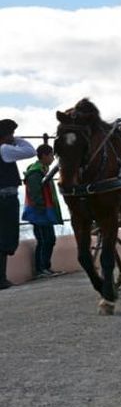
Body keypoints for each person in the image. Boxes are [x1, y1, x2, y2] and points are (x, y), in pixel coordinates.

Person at [0, 119, 36, 289]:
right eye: (11, 134)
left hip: (4, 198)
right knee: (6, 237)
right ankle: (1, 278)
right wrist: (17, 140)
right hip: (6, 198)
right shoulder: (5, 149)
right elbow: (30, 151)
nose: (12, 137)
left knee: (4, 236)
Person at [22, 144, 64, 278]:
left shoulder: (43, 169)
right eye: (51, 155)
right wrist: (41, 208)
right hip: (39, 212)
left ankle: (46, 267)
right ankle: (41, 269)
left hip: (45, 211)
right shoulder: (35, 172)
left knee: (49, 239)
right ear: (44, 155)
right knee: (44, 239)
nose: (53, 158)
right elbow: (35, 193)